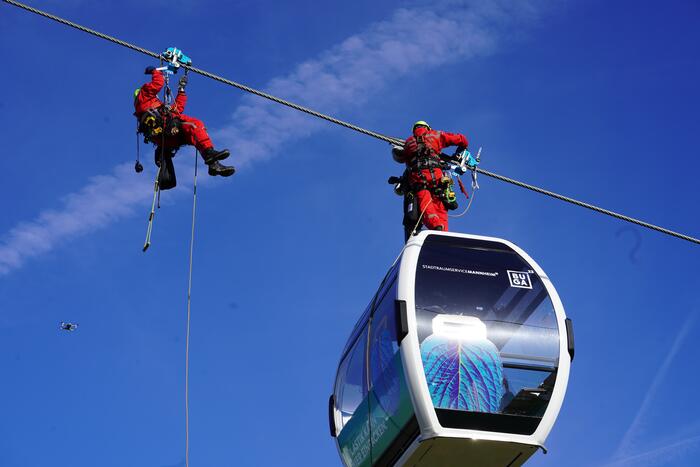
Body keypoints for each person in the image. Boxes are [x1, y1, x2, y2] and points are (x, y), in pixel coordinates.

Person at [134, 66, 235, 179]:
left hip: (168, 138)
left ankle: (214, 165)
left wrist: (181, 89)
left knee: (195, 135)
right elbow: (158, 83)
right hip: (167, 129)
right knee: (195, 125)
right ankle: (210, 153)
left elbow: (177, 110)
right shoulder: (144, 96)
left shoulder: (151, 108)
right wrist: (155, 71)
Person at [391, 121, 468, 238]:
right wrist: (461, 148)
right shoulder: (435, 135)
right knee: (440, 206)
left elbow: (401, 158)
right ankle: (443, 234)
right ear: (428, 128)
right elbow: (461, 139)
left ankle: (436, 227)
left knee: (425, 206)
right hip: (437, 177)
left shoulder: (408, 142)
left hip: (419, 179)